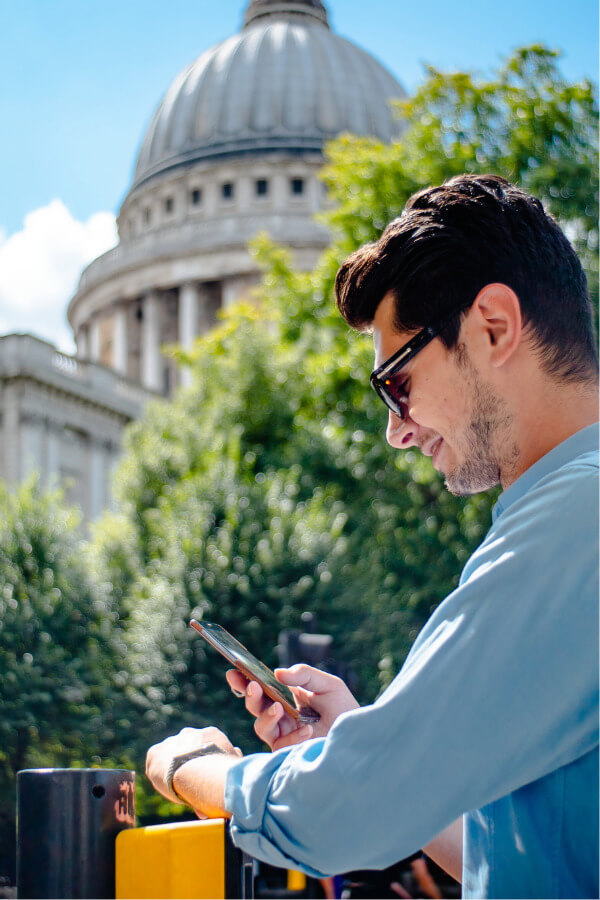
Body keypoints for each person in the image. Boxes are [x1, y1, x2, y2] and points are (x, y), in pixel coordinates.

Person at [146, 175, 599, 899]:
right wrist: (357, 743)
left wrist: (193, 770)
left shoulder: (576, 523)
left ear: (493, 326)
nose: (395, 431)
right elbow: (521, 870)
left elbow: (341, 816)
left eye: (396, 382)